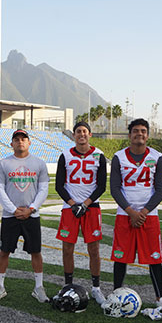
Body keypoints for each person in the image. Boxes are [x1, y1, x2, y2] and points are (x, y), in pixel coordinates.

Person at [109, 118, 162, 315]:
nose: (140, 134)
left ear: (147, 135)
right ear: (129, 135)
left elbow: (161, 189)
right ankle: (116, 295)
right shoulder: (119, 157)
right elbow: (114, 188)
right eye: (136, 131)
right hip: (125, 215)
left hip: (149, 216)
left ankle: (160, 298)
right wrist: (131, 212)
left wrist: (142, 213)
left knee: (154, 258)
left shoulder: (157, 157)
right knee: (121, 257)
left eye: (143, 131)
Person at [0, 129, 50, 303]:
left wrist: (31, 209)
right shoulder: (4, 163)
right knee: (4, 251)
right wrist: (13, 209)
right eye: (16, 139)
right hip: (10, 216)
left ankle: (39, 287)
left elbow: (43, 189)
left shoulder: (39, 163)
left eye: (23, 139)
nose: (20, 142)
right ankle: (0, 286)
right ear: (12, 143)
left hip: (32, 215)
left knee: (36, 251)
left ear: (29, 142)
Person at [55, 121, 107, 304]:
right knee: (67, 248)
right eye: (78, 131)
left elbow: (101, 186)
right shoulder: (65, 155)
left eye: (84, 131)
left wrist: (85, 204)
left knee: (94, 249)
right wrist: (72, 203)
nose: (81, 134)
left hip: (91, 208)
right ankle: (67, 285)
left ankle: (96, 288)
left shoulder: (99, 155)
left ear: (90, 134)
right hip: (70, 208)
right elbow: (58, 185)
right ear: (74, 135)